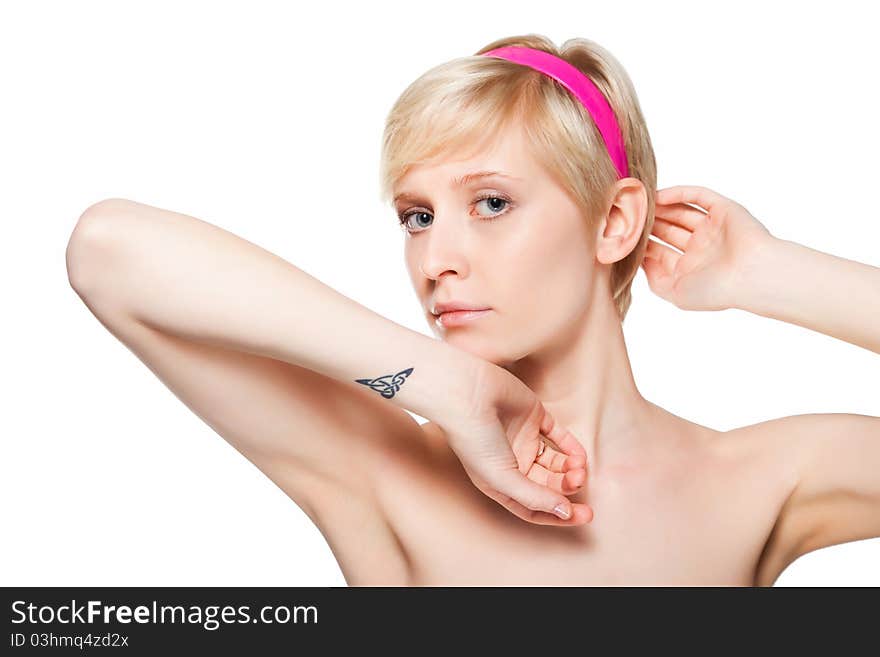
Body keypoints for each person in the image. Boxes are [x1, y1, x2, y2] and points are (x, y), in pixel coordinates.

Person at [64, 33, 880, 586]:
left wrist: (767, 273)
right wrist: (443, 385)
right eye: (417, 216)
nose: (434, 258)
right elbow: (109, 251)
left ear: (614, 222)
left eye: (490, 202)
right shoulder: (383, 472)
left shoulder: (759, 478)